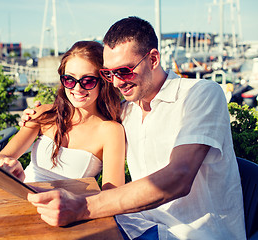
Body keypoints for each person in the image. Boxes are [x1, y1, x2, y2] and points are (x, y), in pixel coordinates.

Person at [21, 17, 246, 239]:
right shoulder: (126, 110)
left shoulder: (200, 94)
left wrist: (83, 207)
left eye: (124, 71)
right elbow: (83, 116)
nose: (117, 82)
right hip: (137, 225)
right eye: (108, 74)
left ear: (154, 59)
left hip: (191, 234)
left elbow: (179, 177)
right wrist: (41, 114)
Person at [0, 41, 125, 190]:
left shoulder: (110, 131)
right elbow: (1, 157)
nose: (77, 88)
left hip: (70, 209)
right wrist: (7, 164)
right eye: (69, 79)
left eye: (88, 81)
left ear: (103, 82)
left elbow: (113, 193)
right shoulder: (44, 113)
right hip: (22, 198)